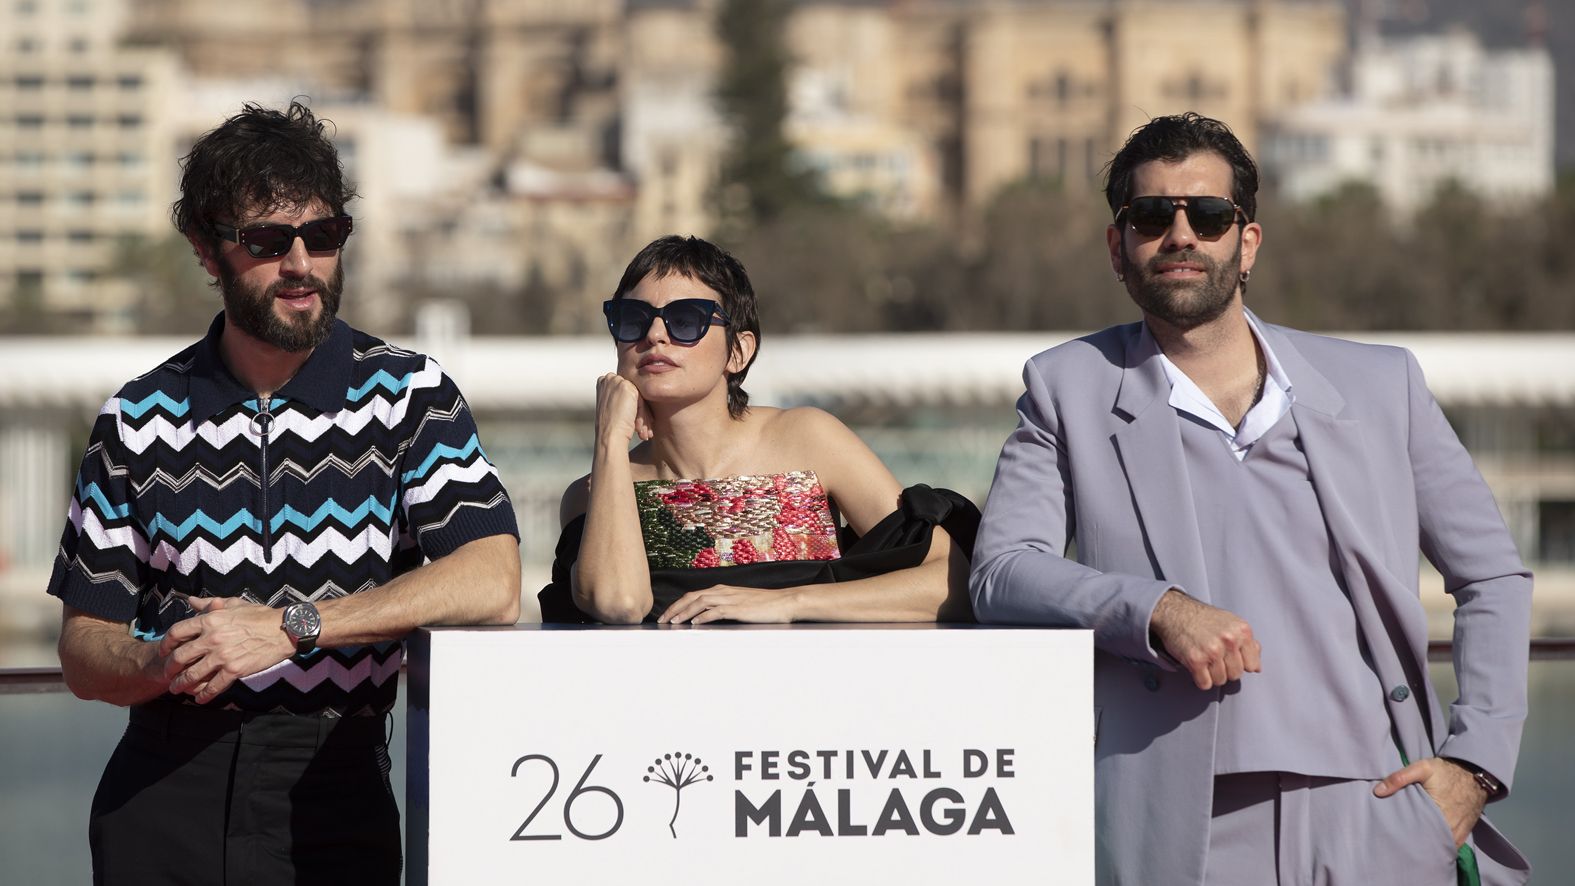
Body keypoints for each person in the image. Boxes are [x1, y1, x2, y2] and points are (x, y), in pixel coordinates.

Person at [969, 113, 1532, 885]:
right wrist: (1155, 608)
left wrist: (1472, 766)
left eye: (1206, 215)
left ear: (1247, 242)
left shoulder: (1381, 385)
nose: (1179, 235)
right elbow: (1002, 572)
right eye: (1148, 216)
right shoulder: (1065, 387)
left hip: (1376, 810)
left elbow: (1492, 578)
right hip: (1179, 823)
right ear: (1116, 246)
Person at [47, 101, 521, 885]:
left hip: (335, 787)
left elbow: (492, 578)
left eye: (324, 236)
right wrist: (165, 659)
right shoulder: (134, 418)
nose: (302, 263)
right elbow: (82, 647)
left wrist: (290, 628)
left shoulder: (409, 395)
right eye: (267, 241)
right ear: (208, 250)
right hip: (162, 792)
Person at [540, 234, 974, 626]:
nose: (655, 334)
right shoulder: (595, 491)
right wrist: (610, 439)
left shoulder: (808, 440)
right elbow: (618, 603)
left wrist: (790, 602)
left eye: (685, 319)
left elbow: (952, 582)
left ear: (739, 350)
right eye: (632, 318)